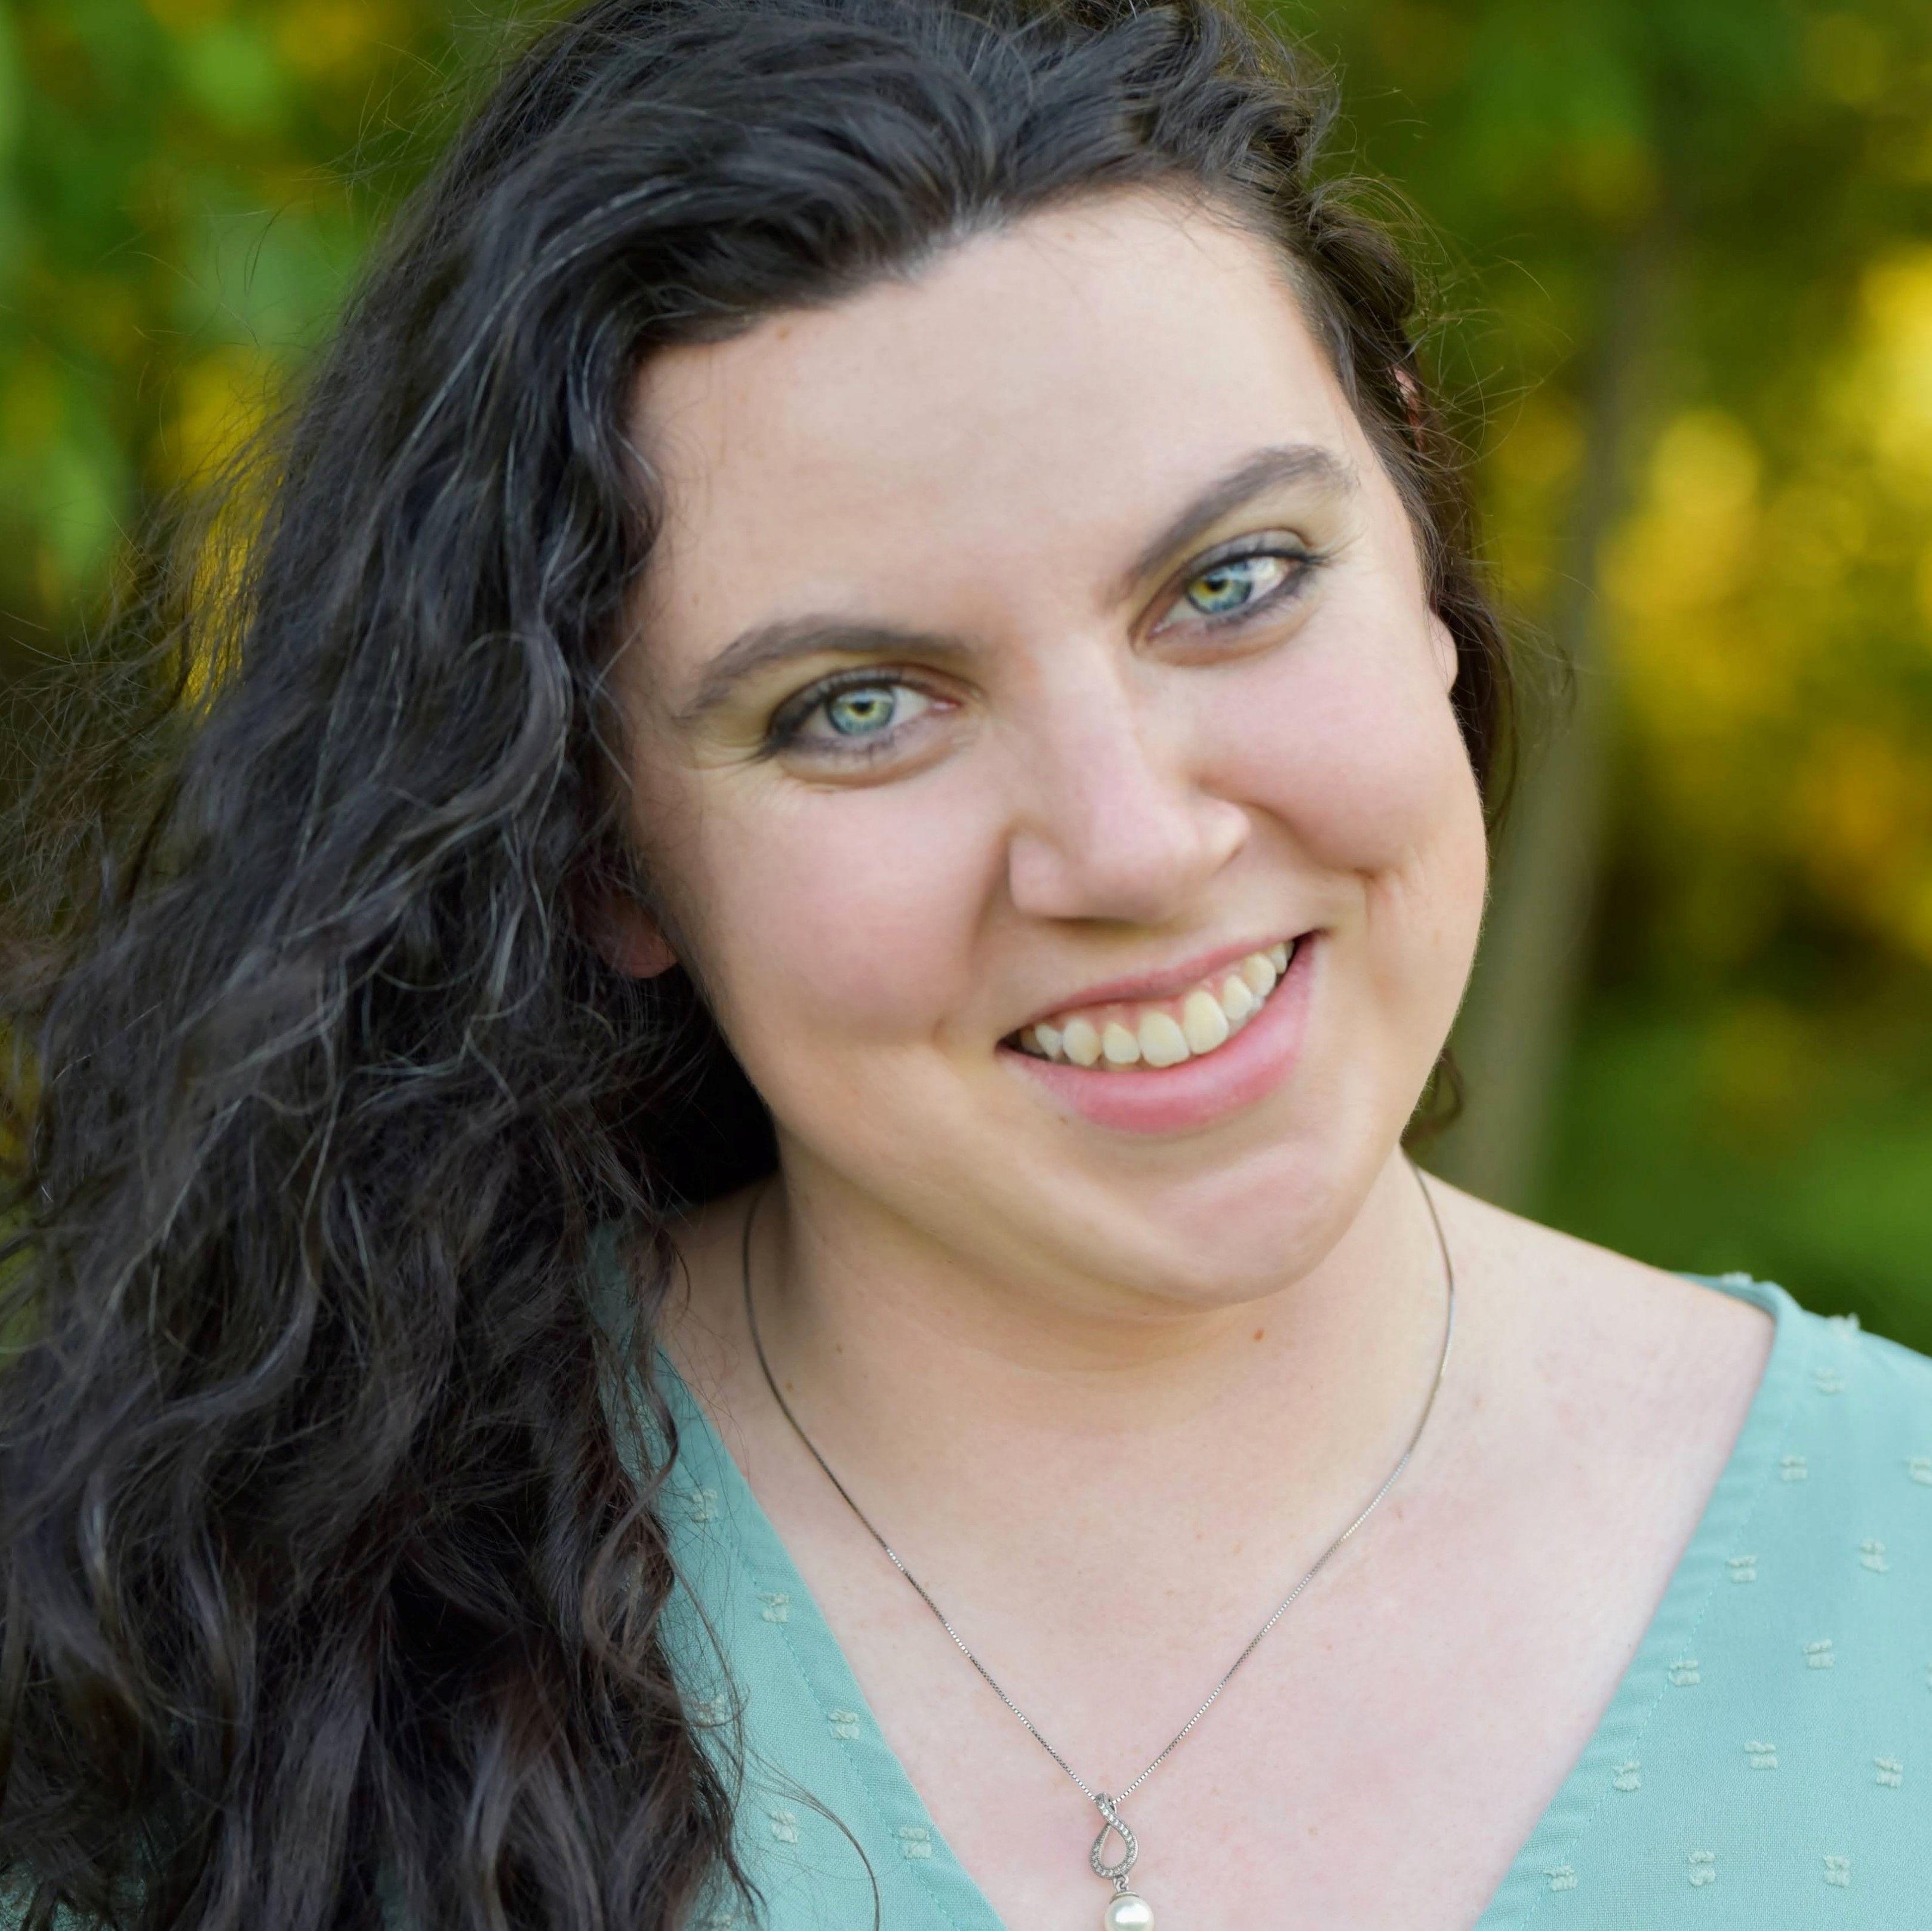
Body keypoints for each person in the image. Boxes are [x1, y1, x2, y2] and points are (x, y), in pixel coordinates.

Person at [4, 1, 1928, 1926]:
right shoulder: (216, 1666)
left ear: (1420, 525)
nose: (1130, 843)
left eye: (1231, 581)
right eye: (858, 707)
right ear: (598, 839)